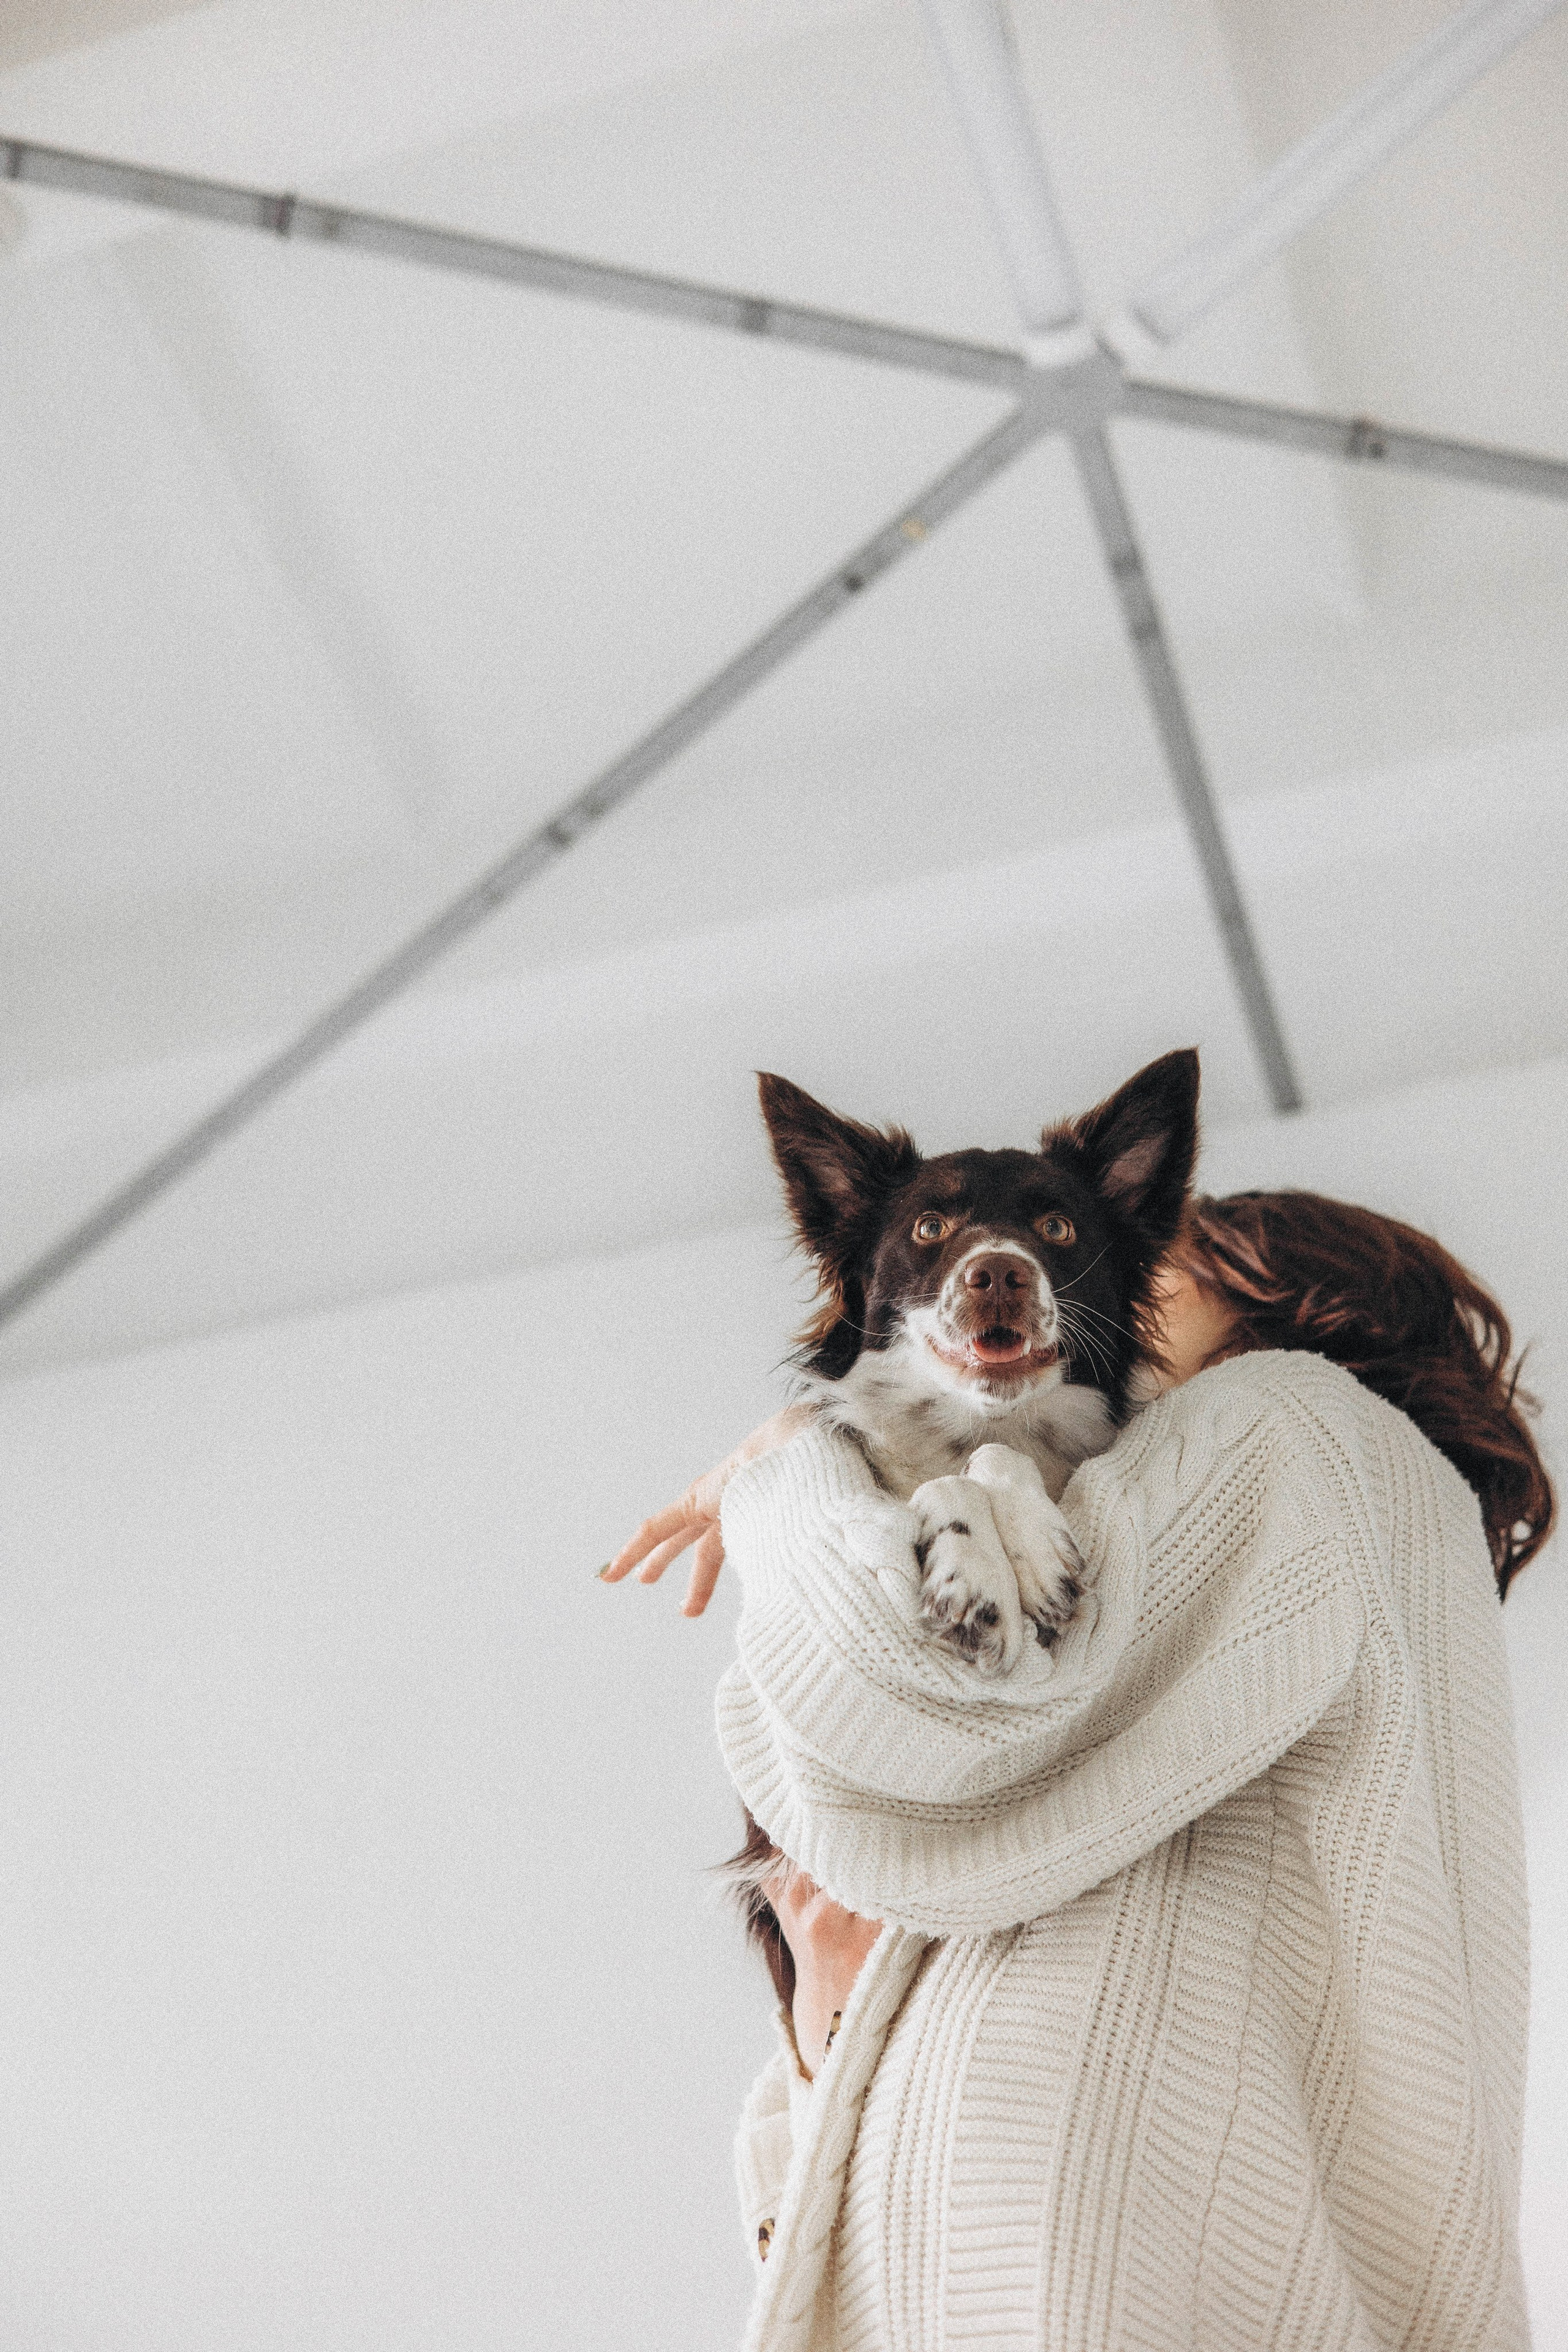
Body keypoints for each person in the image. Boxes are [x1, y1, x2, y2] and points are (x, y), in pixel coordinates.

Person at [604, 1190, 1553, 2352]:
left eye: (1161, 1265)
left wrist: (795, 1464)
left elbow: (901, 1708)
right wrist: (826, 2041)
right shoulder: (1314, 1559)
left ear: (1289, 1296)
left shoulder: (1295, 1416)